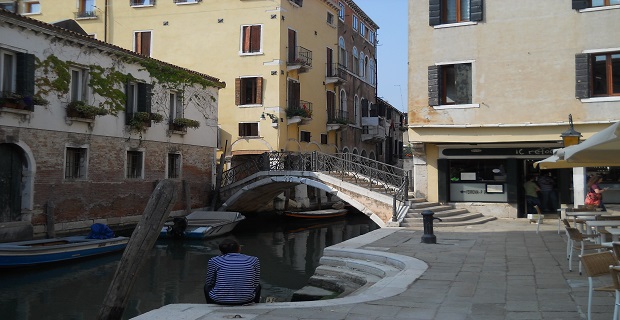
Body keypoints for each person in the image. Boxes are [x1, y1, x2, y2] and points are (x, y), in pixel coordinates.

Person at [204, 239, 261, 305]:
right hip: (247, 299)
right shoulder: (253, 260)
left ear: (221, 251)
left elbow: (209, 282)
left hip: (219, 300)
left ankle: (210, 305)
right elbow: (255, 282)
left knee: (206, 286)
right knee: (258, 286)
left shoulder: (214, 261)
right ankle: (255, 304)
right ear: (239, 248)